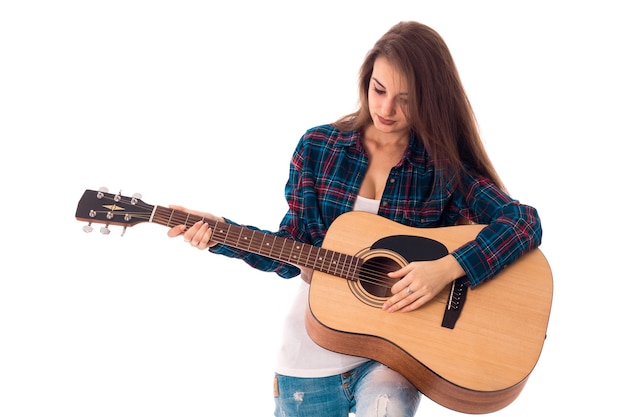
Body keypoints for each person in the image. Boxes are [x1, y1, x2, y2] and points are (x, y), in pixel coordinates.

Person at [167, 21, 542, 417]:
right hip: (308, 359)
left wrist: (446, 269)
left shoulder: (443, 168)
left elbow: (523, 221)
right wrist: (219, 233)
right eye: (378, 90)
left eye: (406, 99)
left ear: (430, 99)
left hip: (393, 361)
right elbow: (291, 248)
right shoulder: (318, 148)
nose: (386, 109)